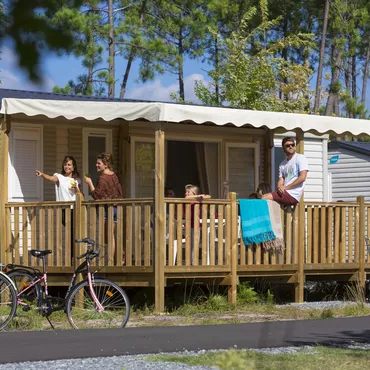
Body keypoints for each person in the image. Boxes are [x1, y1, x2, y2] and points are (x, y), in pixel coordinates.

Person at [84, 152, 123, 263]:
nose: (96, 165)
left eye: (99, 163)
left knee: (109, 237)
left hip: (107, 210)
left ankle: (110, 262)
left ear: (106, 164)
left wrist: (90, 183)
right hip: (115, 209)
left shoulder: (102, 178)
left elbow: (96, 195)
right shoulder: (114, 175)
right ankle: (119, 254)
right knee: (109, 236)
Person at [263, 137, 309, 206]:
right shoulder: (282, 164)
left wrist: (285, 188)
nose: (290, 147)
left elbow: (302, 177)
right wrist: (279, 187)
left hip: (293, 195)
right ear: (283, 148)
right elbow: (280, 180)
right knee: (262, 198)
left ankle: (264, 217)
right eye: (287, 145)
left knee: (263, 197)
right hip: (284, 193)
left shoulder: (300, 158)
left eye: (292, 145)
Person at [184, 184, 211, 265]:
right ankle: (189, 262)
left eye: (188, 192)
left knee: (195, 244)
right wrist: (198, 196)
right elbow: (186, 198)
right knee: (189, 244)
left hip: (196, 226)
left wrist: (200, 197)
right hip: (188, 226)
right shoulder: (187, 200)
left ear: (194, 193)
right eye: (186, 192)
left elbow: (209, 196)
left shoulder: (198, 200)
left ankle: (193, 262)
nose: (186, 194)